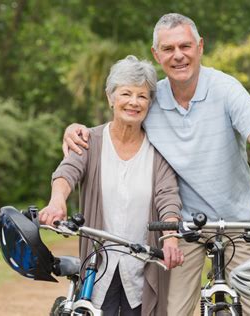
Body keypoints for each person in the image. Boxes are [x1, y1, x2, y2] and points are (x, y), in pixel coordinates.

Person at [62, 13, 250, 316]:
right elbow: (119, 123)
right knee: (172, 310)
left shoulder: (226, 89)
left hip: (240, 223)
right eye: (168, 48)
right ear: (156, 54)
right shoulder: (150, 98)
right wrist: (74, 130)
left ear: (200, 46)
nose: (178, 56)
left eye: (185, 46)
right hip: (183, 227)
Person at [39, 55, 184, 316]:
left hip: (142, 268)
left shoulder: (159, 149)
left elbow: (168, 196)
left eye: (142, 96)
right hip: (99, 267)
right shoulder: (89, 140)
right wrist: (57, 200)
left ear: (150, 103)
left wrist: (170, 238)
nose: (133, 102)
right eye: (126, 93)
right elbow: (67, 171)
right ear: (111, 97)